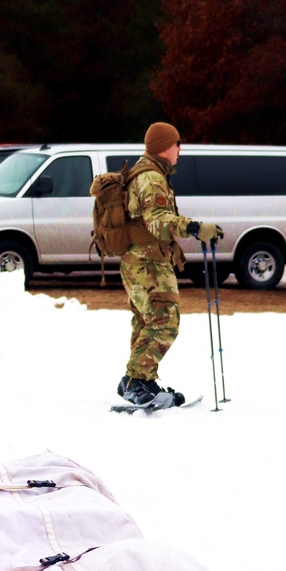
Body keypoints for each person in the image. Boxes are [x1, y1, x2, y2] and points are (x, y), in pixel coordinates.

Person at [117, 121, 222, 408]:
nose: (180, 149)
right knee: (165, 320)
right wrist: (195, 227)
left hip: (137, 260)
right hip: (147, 262)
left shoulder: (143, 172)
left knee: (146, 321)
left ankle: (138, 381)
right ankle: (137, 381)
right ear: (165, 146)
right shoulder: (151, 178)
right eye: (177, 143)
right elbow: (158, 222)